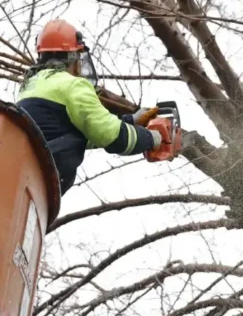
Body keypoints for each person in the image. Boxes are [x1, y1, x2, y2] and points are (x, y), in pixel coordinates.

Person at [16, 19, 162, 195]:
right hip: (48, 174)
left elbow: (73, 132)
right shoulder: (72, 85)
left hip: (28, 172)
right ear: (73, 57)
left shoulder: (30, 86)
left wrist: (131, 120)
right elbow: (110, 136)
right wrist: (152, 139)